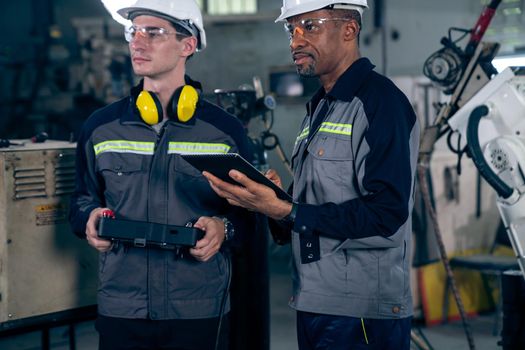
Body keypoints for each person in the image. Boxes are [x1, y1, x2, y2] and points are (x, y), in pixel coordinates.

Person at [203, 0, 420, 349]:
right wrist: (273, 201)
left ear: (349, 29)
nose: (295, 41)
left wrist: (284, 210)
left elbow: (387, 214)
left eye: (310, 26)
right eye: (292, 29)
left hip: (362, 311)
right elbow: (312, 209)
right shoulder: (321, 107)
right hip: (314, 300)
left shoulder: (381, 104)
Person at [68, 0, 253, 349]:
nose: (137, 42)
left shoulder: (224, 132)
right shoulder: (100, 127)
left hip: (197, 310)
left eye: (153, 32)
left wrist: (222, 228)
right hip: (122, 308)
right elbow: (80, 200)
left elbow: (249, 219)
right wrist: (89, 217)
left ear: (188, 45)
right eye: (133, 31)